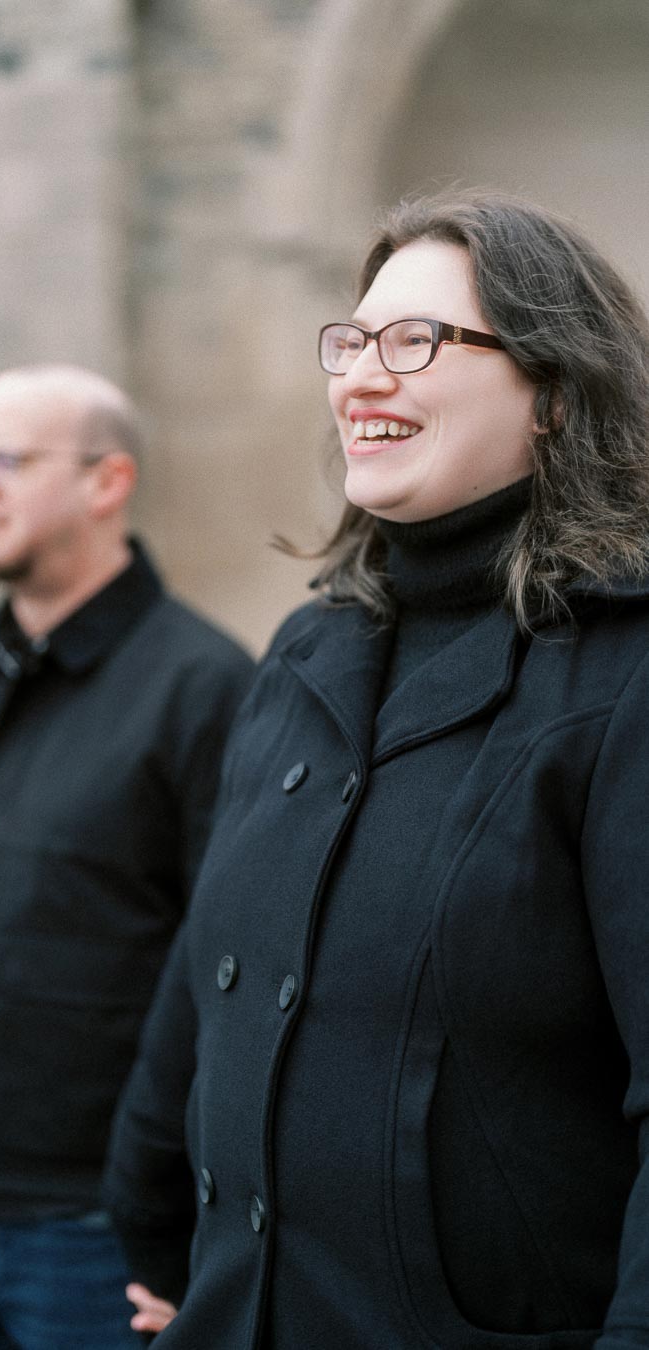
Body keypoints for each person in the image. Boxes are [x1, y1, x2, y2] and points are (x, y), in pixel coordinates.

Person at [103, 192, 649, 1349]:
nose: (361, 378)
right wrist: (151, 1223)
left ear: (554, 394)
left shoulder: (625, 673)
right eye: (351, 343)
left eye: (415, 342)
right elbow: (214, 969)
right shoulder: (308, 649)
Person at [0, 364, 253, 1349]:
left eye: (7, 460)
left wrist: (168, 1197)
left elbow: (228, 964)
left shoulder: (206, 686)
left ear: (107, 481)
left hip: (96, 1241)